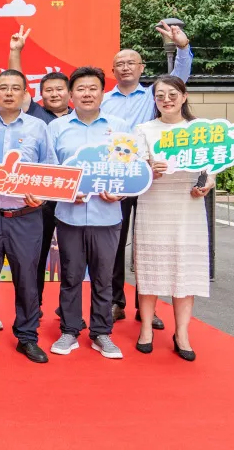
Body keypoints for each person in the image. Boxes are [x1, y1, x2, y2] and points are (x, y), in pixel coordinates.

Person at [101, 21, 192, 329]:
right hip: (118, 177)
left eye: (131, 62)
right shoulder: (103, 100)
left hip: (153, 178)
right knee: (115, 240)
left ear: (142, 68)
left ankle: (146, 307)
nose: (126, 67)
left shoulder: (153, 95)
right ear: (113, 70)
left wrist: (182, 47)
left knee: (149, 242)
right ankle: (115, 301)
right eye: (120, 64)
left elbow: (178, 79)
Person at [0, 69, 57, 364]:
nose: (8, 93)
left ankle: (27, 336)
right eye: (3, 87)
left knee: (27, 277)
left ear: (25, 94)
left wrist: (40, 195)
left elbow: (49, 169)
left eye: (15, 88)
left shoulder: (38, 127)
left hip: (26, 216)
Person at [46, 67, 128, 360]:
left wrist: (121, 192)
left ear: (102, 93)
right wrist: (66, 191)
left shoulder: (120, 127)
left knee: (103, 278)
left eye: (93, 88)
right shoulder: (56, 128)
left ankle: (101, 333)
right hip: (70, 215)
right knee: (70, 276)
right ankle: (69, 330)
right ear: (71, 95)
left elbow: (130, 169)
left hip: (107, 215)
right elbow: (49, 170)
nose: (87, 94)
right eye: (80, 89)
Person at [133, 76, 211, 361]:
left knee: (185, 270)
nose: (166, 100)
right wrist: (149, 169)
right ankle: (146, 328)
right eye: (160, 95)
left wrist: (206, 185)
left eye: (172, 94)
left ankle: (182, 333)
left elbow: (211, 167)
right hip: (154, 203)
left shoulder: (200, 129)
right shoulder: (144, 130)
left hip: (188, 205)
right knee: (150, 268)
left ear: (184, 96)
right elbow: (136, 169)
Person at [8, 26, 73, 310]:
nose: (54, 94)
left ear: (69, 92)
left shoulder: (80, 118)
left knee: (72, 258)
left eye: (60, 89)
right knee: (36, 255)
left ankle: (68, 310)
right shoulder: (33, 113)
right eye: (49, 90)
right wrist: (16, 52)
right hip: (40, 199)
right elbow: (15, 81)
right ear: (39, 93)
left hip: (72, 198)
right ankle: (33, 308)